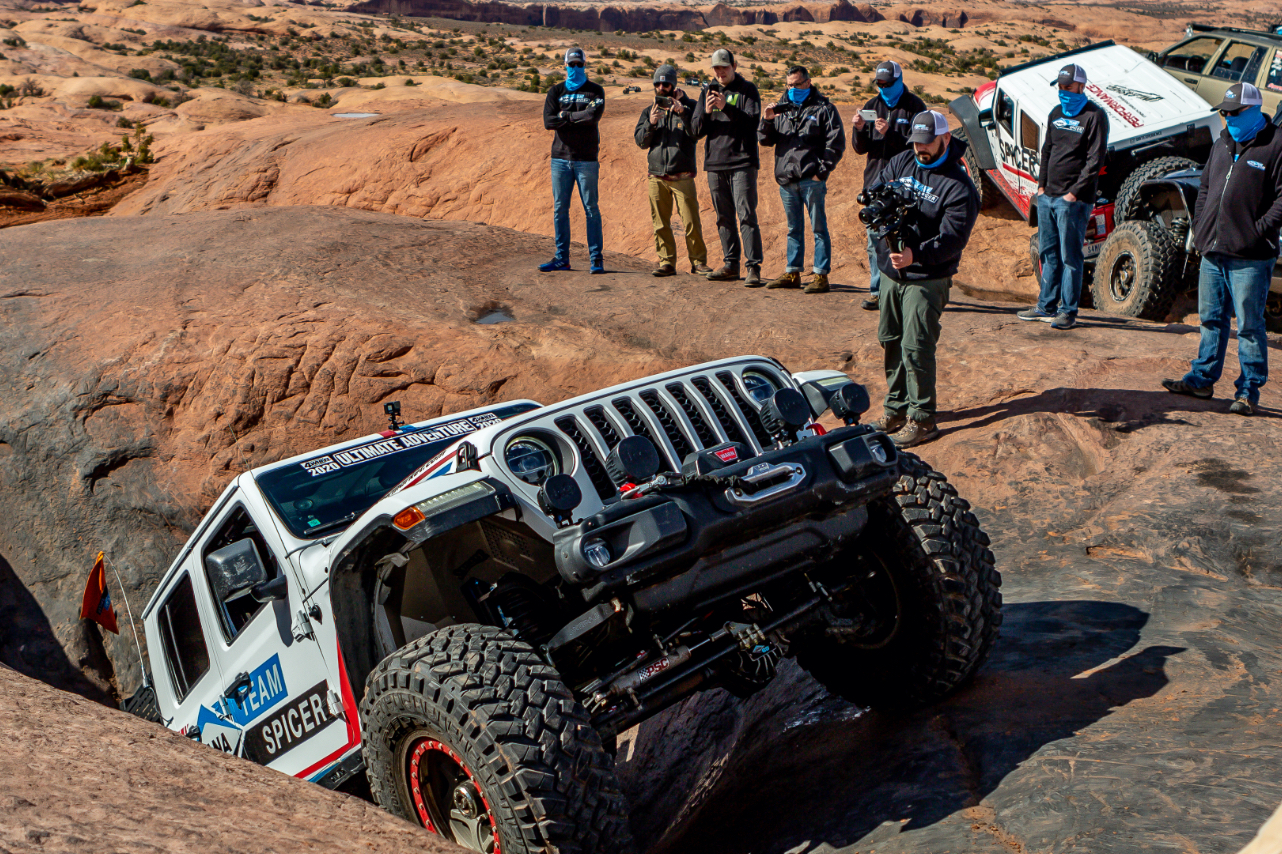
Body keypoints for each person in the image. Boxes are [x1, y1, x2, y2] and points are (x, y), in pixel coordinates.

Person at [1162, 82, 1282, 416]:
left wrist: (1256, 232)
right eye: (1223, 112)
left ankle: (1248, 391)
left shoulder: (1276, 145)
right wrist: (1201, 229)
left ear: (1255, 110)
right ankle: (1201, 379)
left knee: (1248, 325)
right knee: (1211, 318)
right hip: (1213, 250)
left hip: (1252, 256)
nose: (1227, 117)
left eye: (1234, 112)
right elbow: (1205, 189)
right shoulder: (1222, 143)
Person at [869, 110, 980, 448]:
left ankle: (922, 418)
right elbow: (877, 195)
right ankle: (896, 408)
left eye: (927, 142)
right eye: (916, 142)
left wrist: (915, 255)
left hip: (927, 276)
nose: (921, 149)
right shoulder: (903, 161)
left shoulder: (959, 187)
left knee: (915, 346)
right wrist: (883, 241)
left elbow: (952, 240)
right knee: (890, 338)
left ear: (945, 138)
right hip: (892, 271)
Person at [1017, 63, 1109, 330]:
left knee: (1071, 257)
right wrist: (1042, 187)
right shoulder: (1056, 112)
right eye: (1060, 87)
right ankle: (1046, 306)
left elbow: (1095, 160)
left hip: (1074, 201)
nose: (1063, 92)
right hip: (1048, 197)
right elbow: (1047, 151)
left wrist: (1073, 194)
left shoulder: (1095, 116)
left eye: (1068, 87)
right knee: (1048, 253)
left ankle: (1068, 311)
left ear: (1082, 86)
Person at [758, 65, 846, 294]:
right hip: (787, 180)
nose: (792, 89)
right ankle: (793, 272)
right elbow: (765, 141)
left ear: (808, 82)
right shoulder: (781, 109)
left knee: (819, 228)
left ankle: (820, 275)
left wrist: (821, 172)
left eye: (797, 84)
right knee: (793, 228)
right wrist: (767, 120)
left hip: (811, 180)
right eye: (789, 85)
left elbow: (835, 143)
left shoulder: (824, 108)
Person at [852, 60, 926, 311]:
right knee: (875, 239)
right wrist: (860, 129)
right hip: (875, 182)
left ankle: (906, 289)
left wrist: (891, 134)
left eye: (887, 84)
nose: (883, 88)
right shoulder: (872, 106)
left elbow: (918, 148)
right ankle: (878, 291)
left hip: (904, 183)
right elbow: (860, 149)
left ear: (899, 80)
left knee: (905, 236)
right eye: (879, 84)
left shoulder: (915, 107)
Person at [691, 48, 763, 285]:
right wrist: (708, 111)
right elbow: (696, 131)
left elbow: (753, 123)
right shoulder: (707, 92)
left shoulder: (747, 89)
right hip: (715, 163)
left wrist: (726, 107)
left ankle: (753, 267)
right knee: (723, 217)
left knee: (746, 215)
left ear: (734, 67)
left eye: (725, 67)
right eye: (717, 68)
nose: (720, 72)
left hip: (742, 162)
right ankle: (730, 264)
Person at [634, 64, 711, 277]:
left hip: (682, 175)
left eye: (665, 83)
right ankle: (666, 262)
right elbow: (641, 142)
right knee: (660, 223)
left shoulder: (691, 106)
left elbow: (697, 133)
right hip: (656, 176)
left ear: (673, 85)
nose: (661, 87)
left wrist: (683, 111)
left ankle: (698, 262)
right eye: (657, 83)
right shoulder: (648, 111)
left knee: (691, 222)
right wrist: (650, 123)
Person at [540, 47, 606, 274]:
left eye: (579, 64)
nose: (575, 68)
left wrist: (564, 116)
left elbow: (592, 116)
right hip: (560, 159)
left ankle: (596, 259)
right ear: (565, 65)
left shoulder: (596, 90)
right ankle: (562, 258)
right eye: (572, 64)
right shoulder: (556, 91)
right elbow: (548, 122)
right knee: (560, 209)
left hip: (586, 159)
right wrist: (578, 117)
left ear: (584, 65)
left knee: (591, 209)